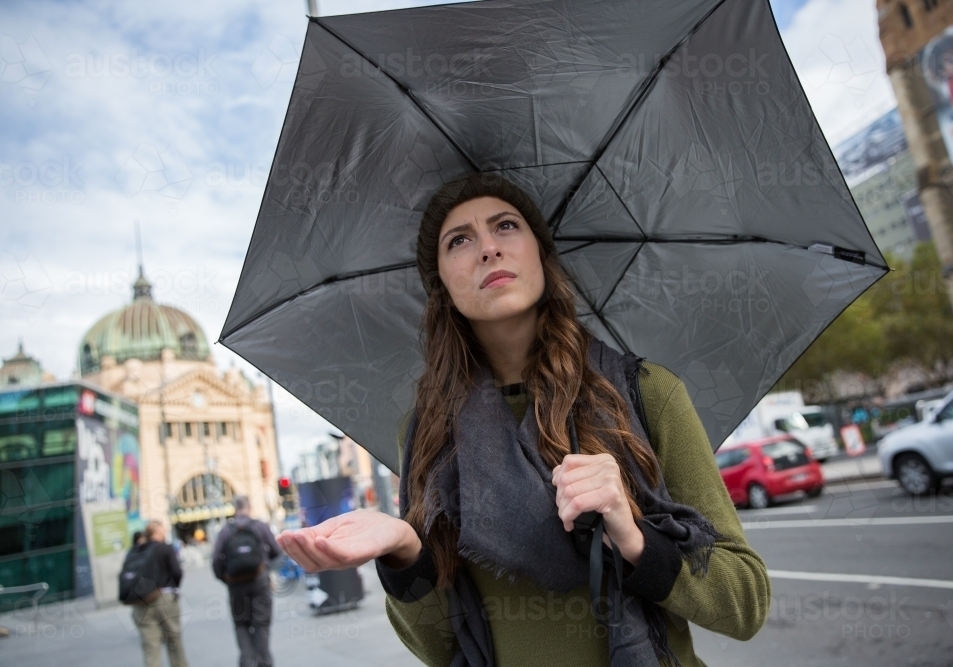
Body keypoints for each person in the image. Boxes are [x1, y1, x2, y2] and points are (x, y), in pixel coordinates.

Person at [278, 173, 771, 666]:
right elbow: (437, 647)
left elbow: (745, 604)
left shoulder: (645, 393)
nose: (488, 249)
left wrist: (634, 536)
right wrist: (406, 550)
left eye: (506, 226)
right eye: (460, 240)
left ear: (541, 254)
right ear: (443, 286)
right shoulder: (428, 432)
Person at [212, 495, 283, 667]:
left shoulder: (225, 531)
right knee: (261, 623)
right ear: (249, 507)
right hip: (259, 581)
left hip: (235, 584)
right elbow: (276, 551)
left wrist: (226, 578)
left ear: (235, 509)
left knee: (241, 624)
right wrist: (265, 568)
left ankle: (246, 660)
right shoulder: (260, 526)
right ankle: (263, 662)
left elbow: (215, 560)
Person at [132, 519, 189, 667]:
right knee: (174, 643)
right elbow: (177, 572)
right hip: (164, 598)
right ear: (157, 531)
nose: (165, 531)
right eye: (163, 529)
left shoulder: (138, 550)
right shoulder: (164, 548)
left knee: (151, 648)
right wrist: (173, 588)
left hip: (141, 603)